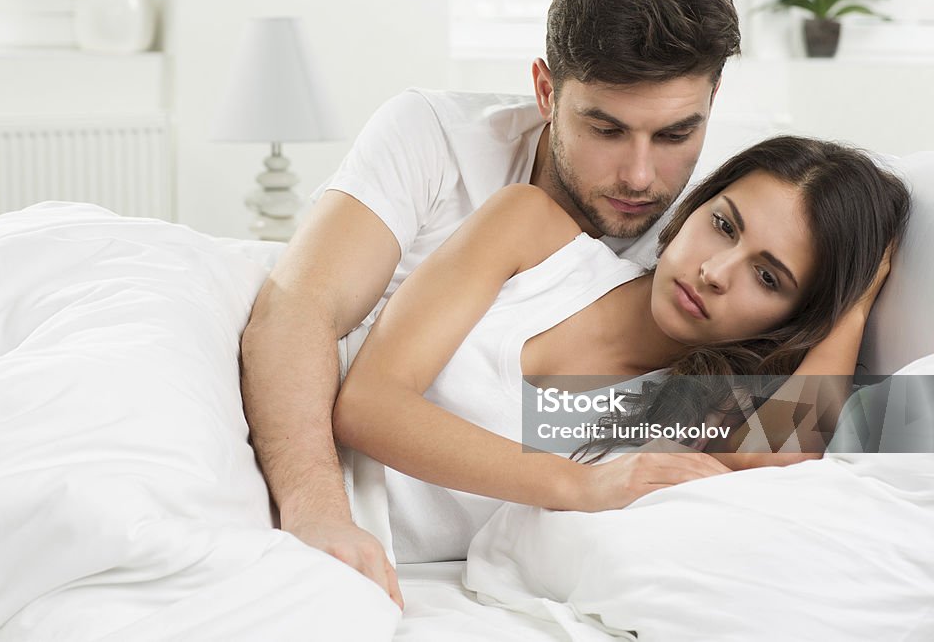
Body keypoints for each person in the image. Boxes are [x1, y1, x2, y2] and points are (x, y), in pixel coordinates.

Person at [240, 0, 740, 605]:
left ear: (711, 104)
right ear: (546, 90)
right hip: (273, 427)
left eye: (676, 132)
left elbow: (814, 412)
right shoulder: (436, 139)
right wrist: (317, 508)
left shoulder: (701, 252)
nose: (641, 176)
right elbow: (297, 305)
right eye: (606, 129)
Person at [332, 135, 911, 563]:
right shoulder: (531, 234)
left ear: (798, 318)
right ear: (693, 207)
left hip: (346, 555)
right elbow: (366, 405)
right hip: (284, 470)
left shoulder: (702, 410)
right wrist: (580, 485)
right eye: (723, 225)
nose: (713, 271)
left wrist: (852, 305)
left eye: (768, 278)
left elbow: (782, 459)